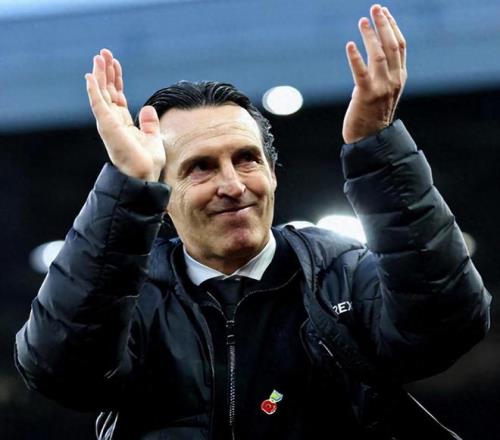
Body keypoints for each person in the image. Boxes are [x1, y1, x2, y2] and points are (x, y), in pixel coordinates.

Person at [15, 5, 490, 440]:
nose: (232, 184)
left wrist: (377, 147)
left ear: (272, 173)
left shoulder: (341, 272)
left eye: (246, 159)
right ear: (162, 195)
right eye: (200, 167)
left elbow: (447, 326)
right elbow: (59, 369)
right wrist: (126, 187)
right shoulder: (129, 297)